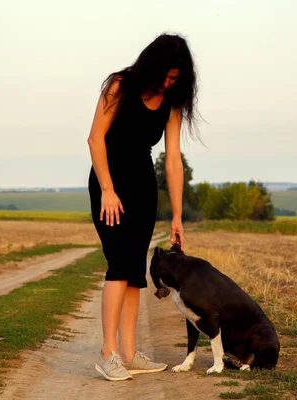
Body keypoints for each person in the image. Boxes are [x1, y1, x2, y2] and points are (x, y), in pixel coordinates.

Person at [87, 33, 198, 381]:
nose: (168, 84)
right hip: (109, 185)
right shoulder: (119, 86)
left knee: (135, 270)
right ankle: (108, 354)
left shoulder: (171, 103)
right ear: (151, 65)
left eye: (175, 79)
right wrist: (107, 189)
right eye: (165, 76)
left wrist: (177, 215)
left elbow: (173, 161)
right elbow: (95, 138)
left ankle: (130, 353)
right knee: (120, 264)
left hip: (143, 189)